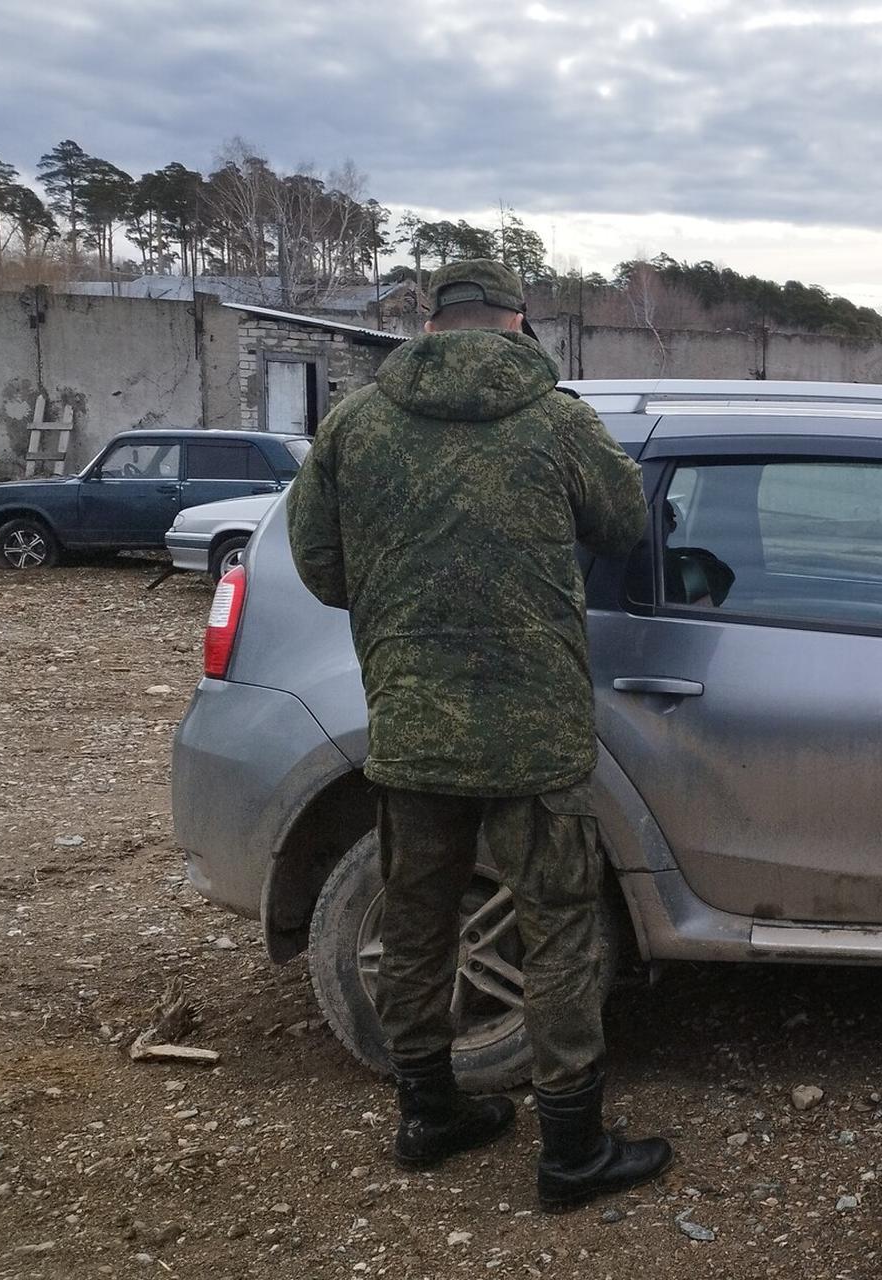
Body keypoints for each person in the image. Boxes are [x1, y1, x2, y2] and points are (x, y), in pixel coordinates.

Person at [285, 258, 673, 1212]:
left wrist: (396, 599)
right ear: (517, 320)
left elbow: (319, 565)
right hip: (532, 733)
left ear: (428, 321)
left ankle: (428, 1113)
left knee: (417, 924)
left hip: (413, 724)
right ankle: (571, 1148)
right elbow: (625, 524)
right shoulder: (558, 419)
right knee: (560, 931)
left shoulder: (356, 425)